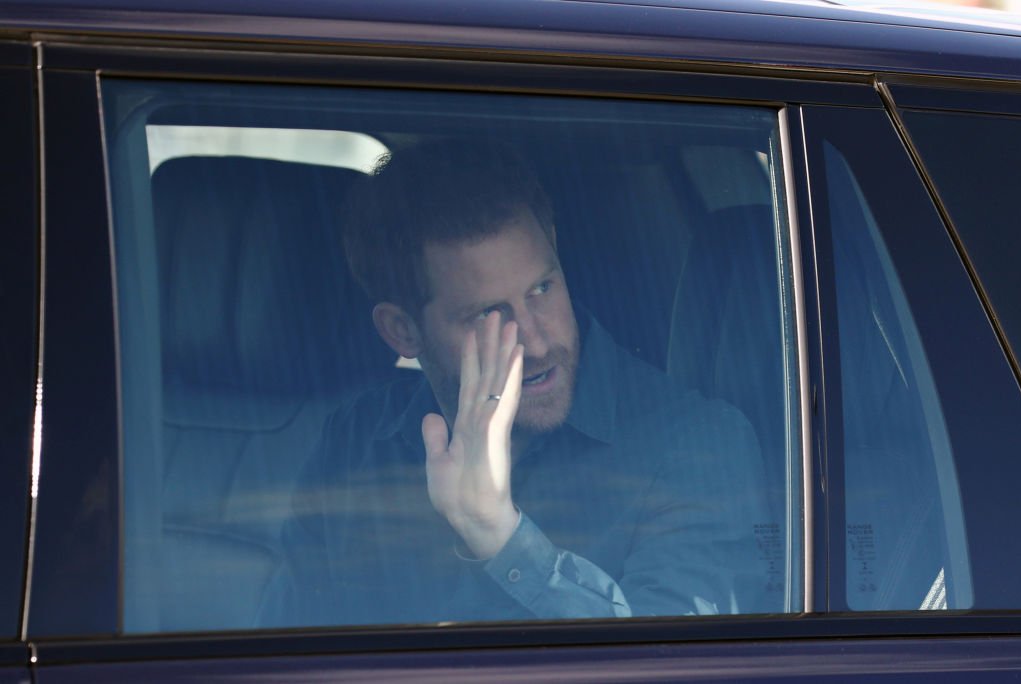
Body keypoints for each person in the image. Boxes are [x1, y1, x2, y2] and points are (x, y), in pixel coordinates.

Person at [260, 142, 778, 627]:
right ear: (403, 330)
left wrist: (498, 535)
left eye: (542, 288)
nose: (535, 340)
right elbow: (280, 654)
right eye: (489, 314)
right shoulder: (353, 444)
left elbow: (678, 672)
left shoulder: (696, 445)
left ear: (556, 251)